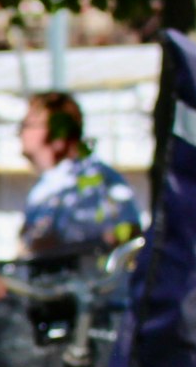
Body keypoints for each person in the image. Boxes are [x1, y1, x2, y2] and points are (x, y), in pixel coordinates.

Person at [16, 92, 143, 256]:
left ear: (59, 133)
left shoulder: (97, 179)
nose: (20, 132)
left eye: (27, 125)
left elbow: (129, 236)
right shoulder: (46, 187)